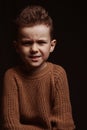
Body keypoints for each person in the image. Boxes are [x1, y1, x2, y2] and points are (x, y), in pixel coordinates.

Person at [1, 5, 75, 130]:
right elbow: (10, 126)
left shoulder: (58, 74)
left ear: (52, 45)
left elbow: (65, 126)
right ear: (17, 47)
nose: (34, 49)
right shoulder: (11, 76)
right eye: (27, 43)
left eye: (41, 42)